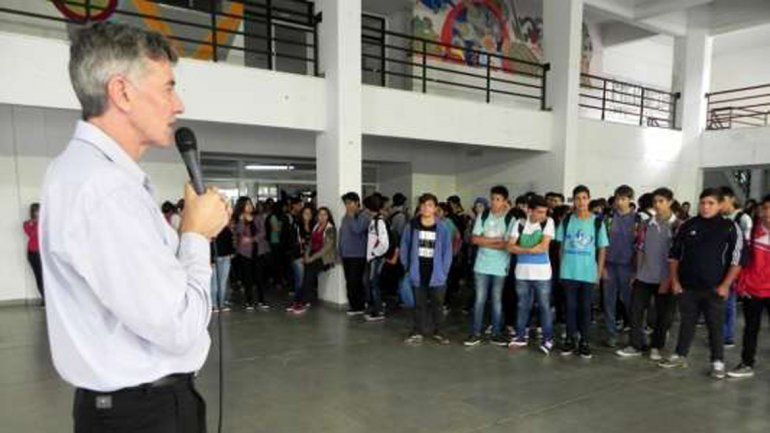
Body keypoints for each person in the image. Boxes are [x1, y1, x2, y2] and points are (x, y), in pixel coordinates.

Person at [40, 22, 229, 432]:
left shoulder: (85, 174)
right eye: (167, 88)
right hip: (143, 413)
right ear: (122, 92)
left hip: (133, 406)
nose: (177, 104)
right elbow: (177, 326)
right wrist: (195, 236)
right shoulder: (103, 189)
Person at [659, 188, 743, 379]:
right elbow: (674, 255)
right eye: (703, 203)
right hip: (688, 287)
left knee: (715, 326)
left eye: (711, 203)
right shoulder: (688, 225)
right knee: (686, 323)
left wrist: (726, 285)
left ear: (720, 205)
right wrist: (675, 281)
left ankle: (718, 362)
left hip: (715, 288)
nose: (705, 207)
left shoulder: (730, 227)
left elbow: (737, 260)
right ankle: (680, 355)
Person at [617, 188, 680, 360]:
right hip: (644, 276)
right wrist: (636, 273)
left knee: (662, 316)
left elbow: (680, 256)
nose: (658, 205)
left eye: (662, 201)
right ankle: (635, 345)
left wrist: (672, 280)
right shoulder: (646, 224)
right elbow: (640, 249)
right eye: (655, 202)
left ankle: (656, 346)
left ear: (670, 202)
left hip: (665, 279)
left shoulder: (678, 227)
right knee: (635, 311)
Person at [556, 185, 609, 359]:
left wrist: (599, 272)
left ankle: (584, 341)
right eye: (577, 198)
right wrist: (561, 268)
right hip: (569, 272)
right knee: (570, 308)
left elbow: (602, 249)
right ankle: (570, 339)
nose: (581, 202)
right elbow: (562, 246)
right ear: (573, 200)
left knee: (585, 308)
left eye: (584, 198)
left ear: (589, 199)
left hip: (588, 273)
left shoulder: (597, 222)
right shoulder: (566, 220)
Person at [464, 186, 513, 347]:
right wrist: (495, 241)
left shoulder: (509, 219)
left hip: (500, 266)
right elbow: (475, 240)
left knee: (497, 300)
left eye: (498, 199)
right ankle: (475, 333)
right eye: (492, 198)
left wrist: (486, 241)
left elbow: (507, 244)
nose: (494, 202)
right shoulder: (483, 215)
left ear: (505, 201)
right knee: (479, 299)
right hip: (481, 265)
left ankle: (496, 333)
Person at [507, 195, 556, 354]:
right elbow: (510, 247)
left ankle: (548, 339)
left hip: (542, 274)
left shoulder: (549, 222)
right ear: (529, 210)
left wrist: (521, 249)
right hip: (522, 273)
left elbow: (543, 248)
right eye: (539, 212)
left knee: (544, 307)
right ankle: (521, 336)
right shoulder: (519, 224)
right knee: (522, 306)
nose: (543, 215)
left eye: (545, 212)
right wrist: (529, 250)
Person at [402, 194, 453, 345]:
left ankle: (440, 332)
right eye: (423, 205)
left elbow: (447, 251)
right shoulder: (411, 226)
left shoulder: (442, 228)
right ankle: (418, 331)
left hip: (436, 274)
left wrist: (444, 271)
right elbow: (404, 247)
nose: (426, 208)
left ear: (435, 208)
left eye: (430, 205)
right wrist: (408, 267)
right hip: (418, 272)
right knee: (419, 305)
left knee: (438, 304)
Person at [728, 194, 770, 378]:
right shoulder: (752, 232)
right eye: (765, 208)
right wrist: (742, 285)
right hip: (752, 290)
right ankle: (746, 363)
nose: (767, 212)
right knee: (751, 329)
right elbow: (743, 262)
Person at [602, 185, 638, 348]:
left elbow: (640, 247)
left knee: (630, 303)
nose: (620, 202)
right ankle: (611, 335)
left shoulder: (638, 221)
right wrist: (601, 267)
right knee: (609, 302)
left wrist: (636, 271)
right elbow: (601, 244)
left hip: (628, 267)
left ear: (630, 200)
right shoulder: (607, 219)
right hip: (609, 265)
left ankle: (636, 335)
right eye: (618, 198)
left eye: (624, 199)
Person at [719, 186, 753, 347]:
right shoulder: (719, 218)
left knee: (729, 302)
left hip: (734, 265)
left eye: (722, 201)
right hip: (719, 264)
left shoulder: (743, 218)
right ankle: (720, 332)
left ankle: (727, 336)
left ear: (731, 199)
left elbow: (746, 245)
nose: (720, 205)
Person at [292, 207, 338, 314]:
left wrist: (311, 258)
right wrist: (306, 255)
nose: (322, 217)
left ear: (328, 216)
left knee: (309, 273)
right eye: (320, 215)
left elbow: (326, 248)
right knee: (305, 273)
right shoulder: (316, 226)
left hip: (324, 258)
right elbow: (310, 243)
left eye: (324, 215)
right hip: (313, 255)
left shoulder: (331, 228)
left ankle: (302, 302)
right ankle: (300, 300)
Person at [234, 197, 269, 311]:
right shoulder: (239, 219)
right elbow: (239, 232)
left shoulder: (258, 217)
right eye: (246, 204)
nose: (249, 206)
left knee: (259, 277)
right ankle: (248, 301)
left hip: (259, 251)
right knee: (247, 278)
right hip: (245, 252)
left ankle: (261, 300)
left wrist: (251, 239)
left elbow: (263, 232)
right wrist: (241, 220)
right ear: (241, 206)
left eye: (250, 204)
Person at [339, 192, 370, 315]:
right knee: (350, 281)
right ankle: (354, 305)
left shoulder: (363, 216)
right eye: (346, 203)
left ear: (357, 202)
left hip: (358, 255)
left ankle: (359, 306)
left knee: (355, 281)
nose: (347, 205)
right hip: (346, 255)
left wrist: (351, 216)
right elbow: (342, 235)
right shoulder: (345, 217)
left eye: (350, 203)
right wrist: (339, 252)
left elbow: (357, 230)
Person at [364, 194, 390, 322]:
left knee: (374, 284)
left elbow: (384, 243)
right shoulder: (373, 221)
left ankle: (378, 310)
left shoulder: (379, 222)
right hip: (372, 258)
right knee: (371, 283)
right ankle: (375, 308)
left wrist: (374, 253)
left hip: (375, 258)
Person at [211, 220, 235, 312]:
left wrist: (231, 252)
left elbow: (230, 242)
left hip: (225, 257)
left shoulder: (226, 228)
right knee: (216, 282)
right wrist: (211, 259)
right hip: (217, 258)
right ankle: (215, 304)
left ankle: (220, 304)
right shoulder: (212, 229)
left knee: (221, 282)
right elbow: (210, 245)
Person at [23, 203, 44, 303]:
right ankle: (44, 298)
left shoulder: (44, 223)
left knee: (45, 277)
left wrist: (39, 223)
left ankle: (48, 299)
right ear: (33, 212)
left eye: (39, 210)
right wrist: (35, 223)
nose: (38, 212)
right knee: (39, 276)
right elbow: (31, 234)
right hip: (32, 254)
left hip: (42, 253)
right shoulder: (27, 223)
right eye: (36, 210)